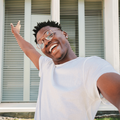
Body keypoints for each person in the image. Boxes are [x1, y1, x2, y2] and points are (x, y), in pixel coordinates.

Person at [10, 20, 120, 120]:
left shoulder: (90, 66)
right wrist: (16, 34)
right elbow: (28, 49)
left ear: (64, 34)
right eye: (41, 42)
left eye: (49, 35)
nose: (46, 42)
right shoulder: (46, 66)